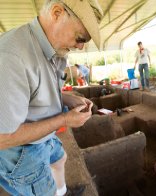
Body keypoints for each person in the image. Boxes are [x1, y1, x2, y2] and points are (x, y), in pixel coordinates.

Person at [0, 0, 103, 196]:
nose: (81, 47)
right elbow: (3, 138)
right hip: (21, 152)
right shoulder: (11, 57)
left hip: (42, 136)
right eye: (80, 38)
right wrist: (64, 120)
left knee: (60, 158)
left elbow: (33, 89)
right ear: (57, 13)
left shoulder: (52, 49)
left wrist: (66, 99)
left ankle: (62, 191)